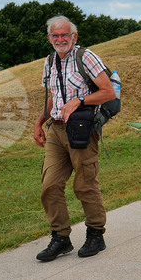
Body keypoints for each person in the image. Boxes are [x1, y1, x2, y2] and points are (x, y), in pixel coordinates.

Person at [32, 15, 116, 261]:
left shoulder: (86, 57)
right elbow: (54, 96)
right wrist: (39, 122)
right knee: (49, 185)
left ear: (74, 37)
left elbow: (107, 91)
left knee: (84, 183)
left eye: (64, 35)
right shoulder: (49, 62)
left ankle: (95, 234)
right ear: (49, 38)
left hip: (81, 128)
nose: (60, 39)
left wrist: (80, 100)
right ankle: (60, 238)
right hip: (56, 130)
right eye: (55, 36)